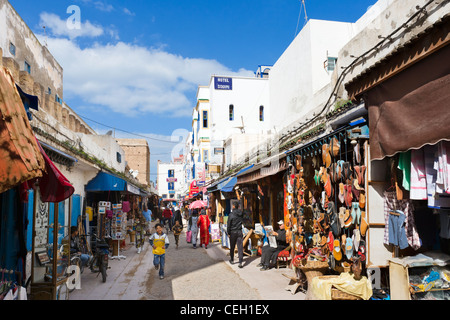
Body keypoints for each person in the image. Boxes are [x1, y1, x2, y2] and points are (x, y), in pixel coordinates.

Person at [227, 202, 244, 268]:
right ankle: (240, 262)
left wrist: (228, 233)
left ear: (233, 206)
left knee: (232, 246)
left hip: (233, 232)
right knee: (240, 247)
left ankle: (232, 259)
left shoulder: (231, 215)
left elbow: (229, 225)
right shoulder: (241, 213)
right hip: (239, 231)